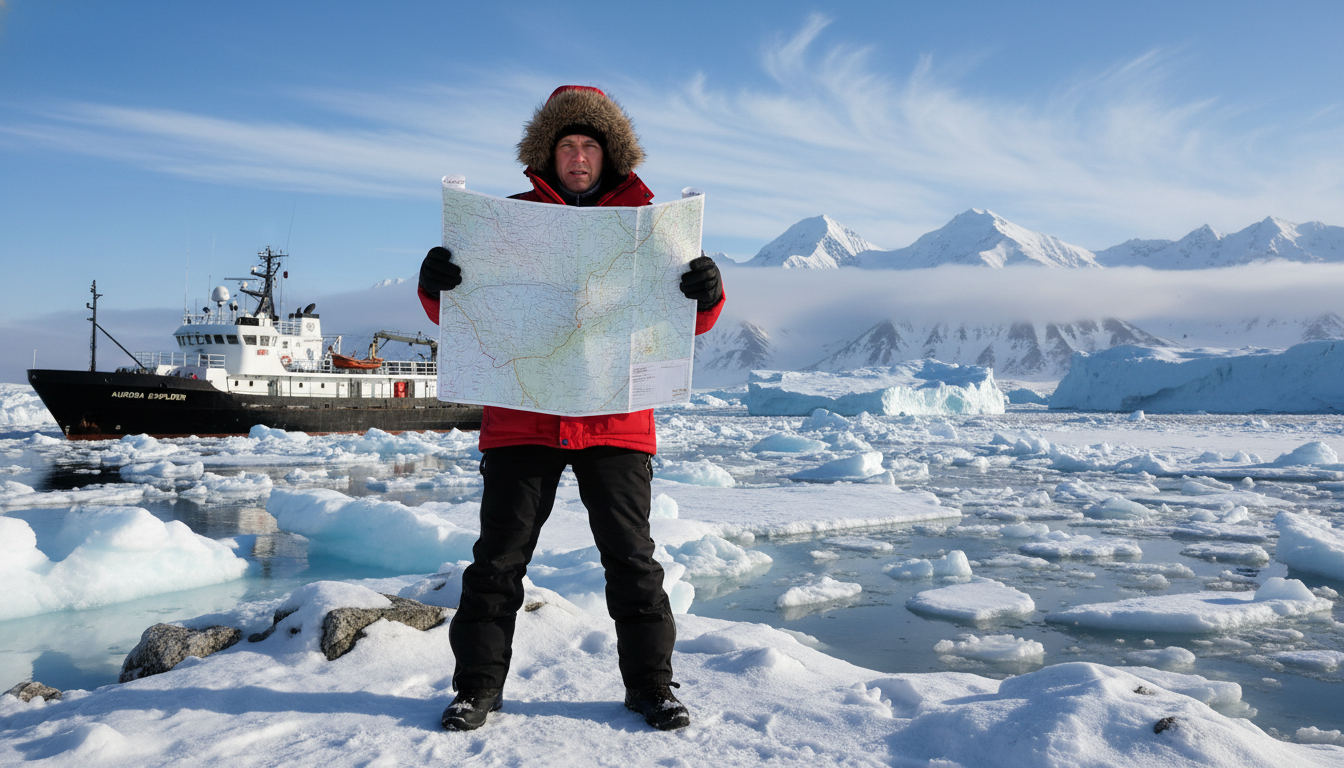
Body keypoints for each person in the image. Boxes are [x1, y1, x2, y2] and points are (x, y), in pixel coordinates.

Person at [416, 85, 725, 732]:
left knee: (632, 562)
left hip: (616, 420)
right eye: (567, 146)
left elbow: (681, 326)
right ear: (547, 154)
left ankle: (652, 688)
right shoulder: (504, 223)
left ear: (609, 154)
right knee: (497, 563)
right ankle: (477, 689)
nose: (578, 157)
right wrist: (437, 285)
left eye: (589, 145)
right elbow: (467, 320)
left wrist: (706, 295)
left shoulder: (651, 225)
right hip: (522, 418)